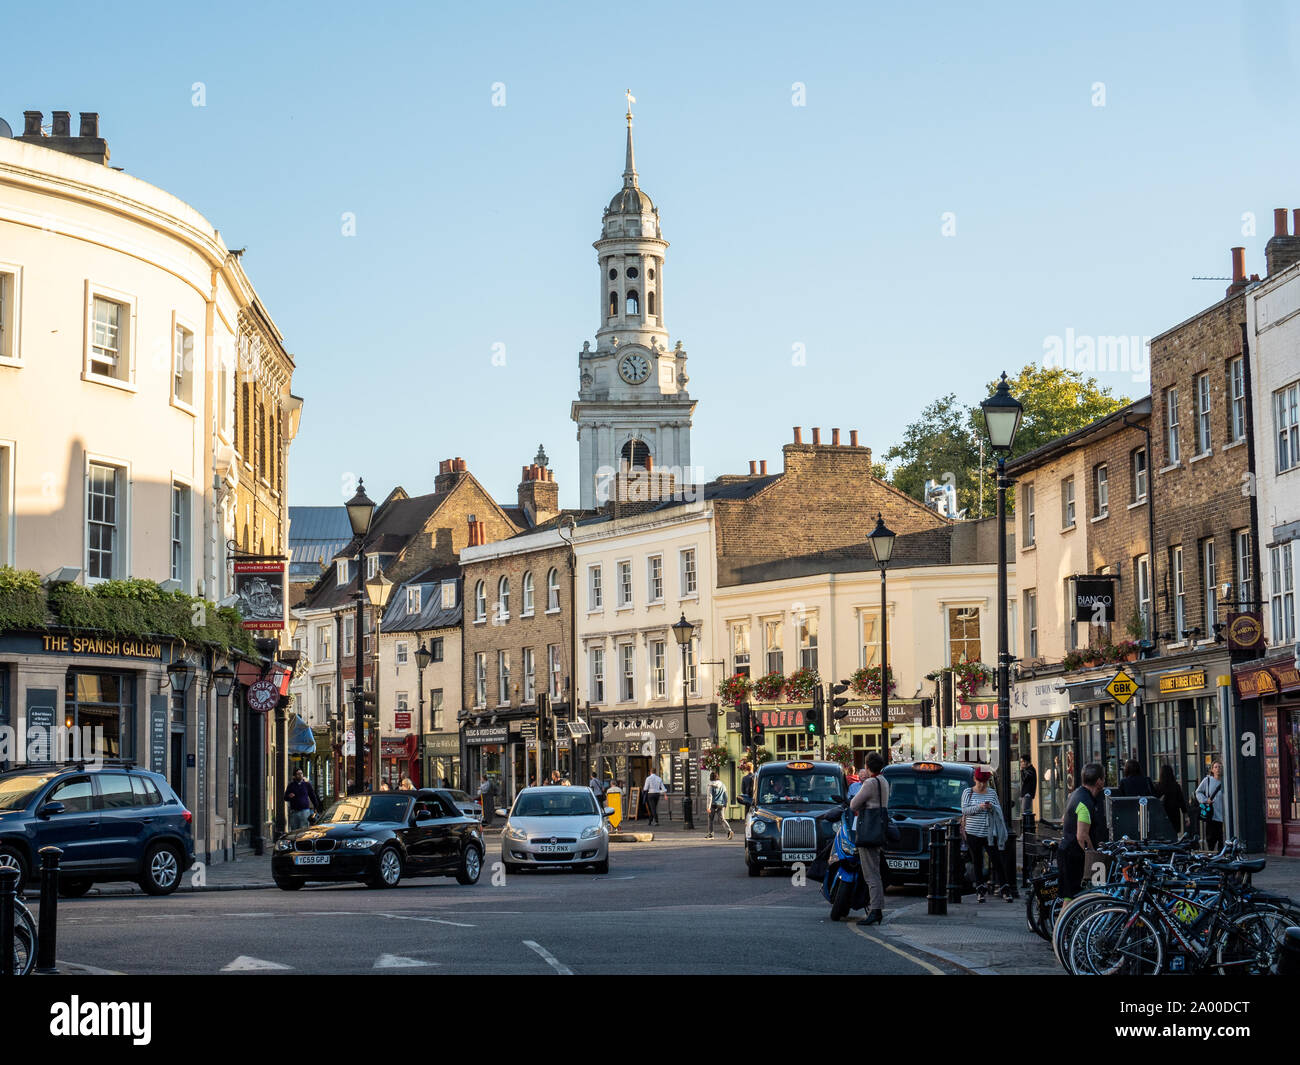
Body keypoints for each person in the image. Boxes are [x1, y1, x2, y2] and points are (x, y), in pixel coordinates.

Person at [849, 751, 889, 926]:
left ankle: (875, 910)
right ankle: (876, 908)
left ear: (867, 766)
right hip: (879, 829)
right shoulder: (884, 781)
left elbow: (853, 804)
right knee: (876, 872)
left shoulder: (871, 783)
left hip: (868, 831)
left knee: (871, 874)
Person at [961, 768, 1012, 903]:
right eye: (980, 782)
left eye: (984, 782)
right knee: (977, 862)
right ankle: (980, 891)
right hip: (972, 832)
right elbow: (965, 809)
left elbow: (998, 809)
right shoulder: (968, 792)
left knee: (997, 861)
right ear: (974, 779)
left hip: (990, 833)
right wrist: (980, 807)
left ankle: (1005, 889)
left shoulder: (992, 793)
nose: (982, 785)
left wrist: (991, 807)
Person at [1058, 762, 1106, 900]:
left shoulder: (1076, 794)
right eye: (1103, 778)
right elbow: (1082, 836)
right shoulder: (1085, 802)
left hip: (1066, 851)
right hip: (1073, 856)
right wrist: (1093, 855)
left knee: (1072, 900)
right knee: (1070, 901)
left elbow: (1063, 818)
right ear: (1099, 782)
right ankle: (1060, 922)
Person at [1196, 760, 1226, 850]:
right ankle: (1211, 857)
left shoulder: (1226, 781)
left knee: (1222, 841)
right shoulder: (1208, 780)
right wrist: (1205, 800)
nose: (1218, 769)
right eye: (1216, 767)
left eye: (1220, 767)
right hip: (1212, 816)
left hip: (1223, 817)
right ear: (1212, 770)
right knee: (1211, 840)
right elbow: (1198, 792)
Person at [1155, 763, 1188, 836]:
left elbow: (1155, 801)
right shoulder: (1176, 786)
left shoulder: (1158, 787)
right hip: (1174, 814)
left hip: (1162, 814)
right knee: (1174, 835)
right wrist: (1186, 816)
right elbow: (1181, 802)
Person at [705, 771, 733, 840]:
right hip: (721, 804)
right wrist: (725, 804)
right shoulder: (722, 785)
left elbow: (710, 796)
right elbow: (725, 796)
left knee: (710, 819)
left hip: (713, 805)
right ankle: (729, 831)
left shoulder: (710, 786)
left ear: (710, 778)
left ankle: (710, 835)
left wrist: (708, 807)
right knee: (722, 819)